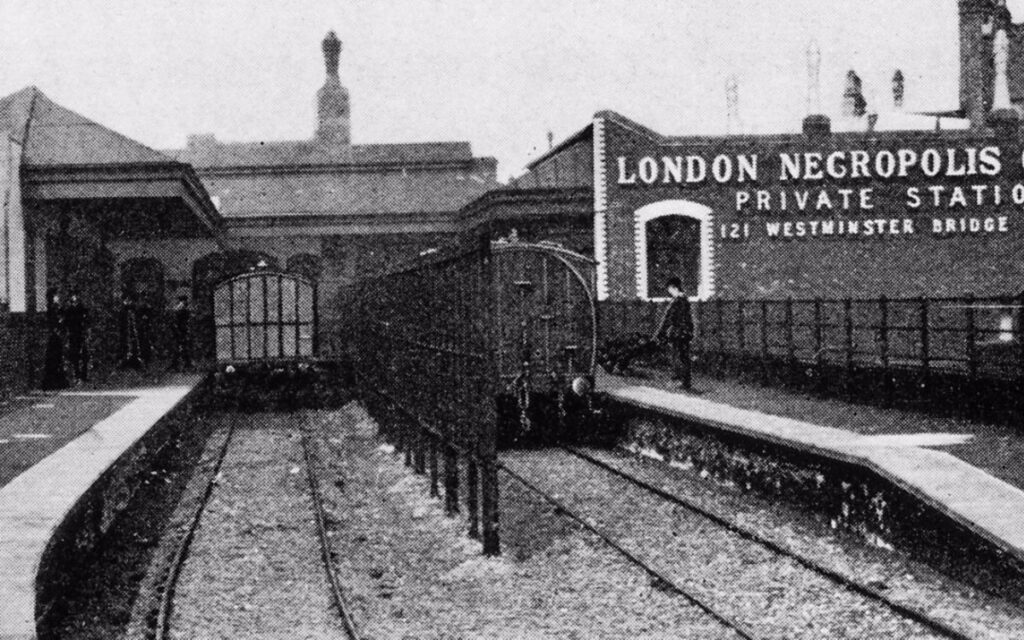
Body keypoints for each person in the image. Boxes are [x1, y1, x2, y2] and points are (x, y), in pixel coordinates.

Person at [654, 276, 694, 390]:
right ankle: (685, 381)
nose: (668, 291)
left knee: (677, 356)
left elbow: (668, 318)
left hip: (678, 332)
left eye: (669, 289)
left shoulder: (677, 301)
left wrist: (660, 332)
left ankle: (679, 381)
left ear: (674, 288)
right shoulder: (685, 300)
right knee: (684, 357)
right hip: (685, 332)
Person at [41, 288, 69, 390]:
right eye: (56, 296)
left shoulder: (57, 308)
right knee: (53, 359)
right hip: (54, 337)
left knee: (58, 359)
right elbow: (52, 322)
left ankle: (57, 381)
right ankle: (52, 382)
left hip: (57, 337)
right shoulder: (50, 309)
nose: (58, 297)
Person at [64, 292, 90, 383]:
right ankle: (77, 374)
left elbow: (87, 321)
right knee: (75, 356)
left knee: (84, 356)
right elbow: (66, 323)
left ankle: (83, 375)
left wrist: (86, 332)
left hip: (81, 335)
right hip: (73, 335)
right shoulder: (69, 311)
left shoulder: (82, 310)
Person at [170, 293, 192, 371]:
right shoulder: (181, 310)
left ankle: (182, 365)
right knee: (181, 348)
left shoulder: (179, 310)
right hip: (180, 331)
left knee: (181, 348)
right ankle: (180, 365)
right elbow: (176, 323)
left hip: (180, 331)